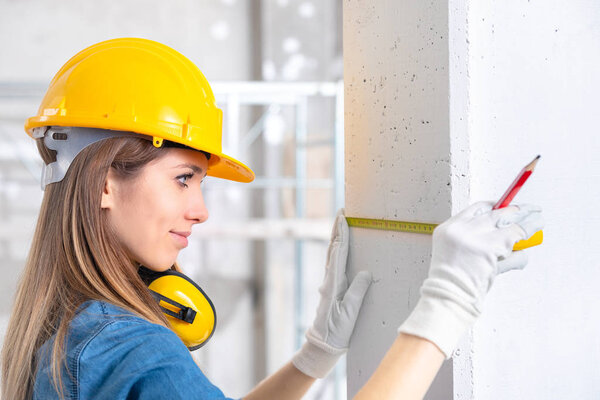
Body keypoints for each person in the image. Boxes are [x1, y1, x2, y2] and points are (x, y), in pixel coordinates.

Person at [0, 38, 544, 400]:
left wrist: (314, 359)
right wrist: (446, 306)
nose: (201, 210)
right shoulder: (131, 346)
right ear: (103, 182)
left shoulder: (64, 329)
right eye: (184, 177)